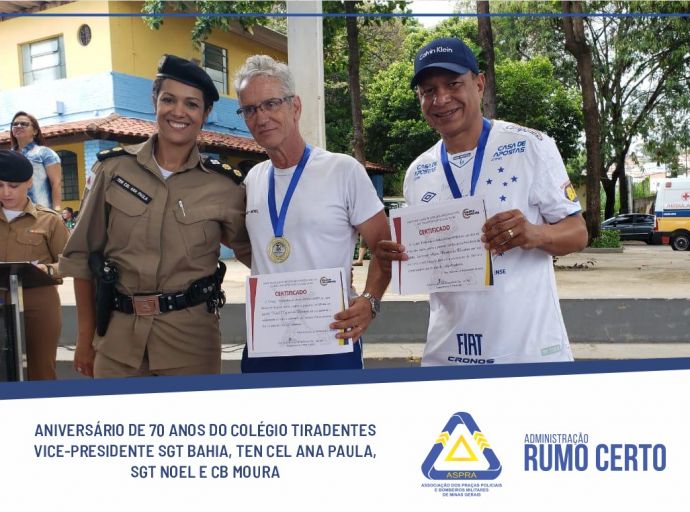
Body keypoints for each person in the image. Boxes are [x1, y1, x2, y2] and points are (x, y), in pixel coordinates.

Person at [376, 37, 588, 366]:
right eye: (428, 90)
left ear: (479, 83)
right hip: (447, 356)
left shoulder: (530, 146)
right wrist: (400, 257)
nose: (441, 99)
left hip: (527, 355)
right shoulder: (419, 172)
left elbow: (578, 232)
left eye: (453, 84)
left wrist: (536, 234)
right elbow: (429, 260)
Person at [59, 55, 250, 378]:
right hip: (117, 343)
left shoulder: (224, 186)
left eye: (192, 104)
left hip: (191, 346)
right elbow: (82, 258)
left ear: (205, 114)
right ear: (154, 101)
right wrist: (84, 340)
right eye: (168, 100)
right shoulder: (113, 170)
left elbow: (257, 255)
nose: (179, 112)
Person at [234, 55, 391, 372]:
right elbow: (251, 249)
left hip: (332, 337)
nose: (260, 117)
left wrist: (369, 302)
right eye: (249, 109)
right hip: (267, 340)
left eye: (270, 104)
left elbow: (385, 247)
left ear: (295, 107)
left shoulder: (342, 170)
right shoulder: (252, 180)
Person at [0, 150, 69, 380]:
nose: (6, 192)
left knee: (42, 370)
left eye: (13, 185)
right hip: (1, 297)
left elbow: (71, 263)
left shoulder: (49, 220)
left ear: (29, 182)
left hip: (39, 300)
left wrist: (47, 270)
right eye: (0, 185)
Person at [10, 111, 62, 211]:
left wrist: (56, 211)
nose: (18, 126)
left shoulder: (45, 153)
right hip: (14, 214)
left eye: (24, 124)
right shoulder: (9, 156)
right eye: (15, 124)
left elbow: (56, 183)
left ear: (35, 131)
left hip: (40, 213)